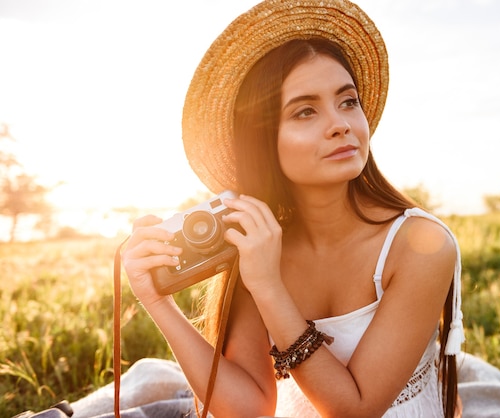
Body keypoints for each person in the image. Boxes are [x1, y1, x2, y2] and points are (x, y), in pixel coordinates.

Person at [121, 1, 464, 417]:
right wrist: (158, 303)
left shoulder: (421, 243)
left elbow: (354, 411)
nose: (340, 123)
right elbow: (248, 410)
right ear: (264, 140)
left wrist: (269, 286)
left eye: (348, 101)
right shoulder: (260, 243)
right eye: (305, 111)